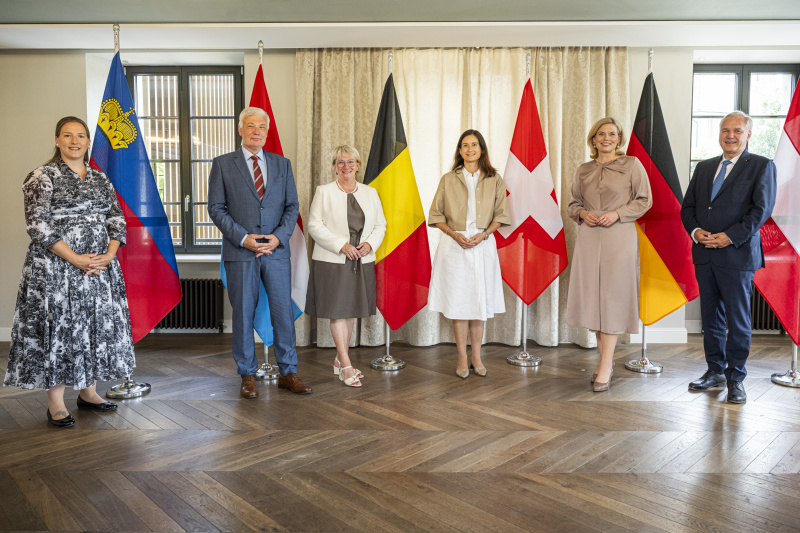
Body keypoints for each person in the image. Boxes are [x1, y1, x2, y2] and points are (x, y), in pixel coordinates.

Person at [3, 116, 132, 427]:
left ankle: (89, 393)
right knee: (60, 332)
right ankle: (56, 402)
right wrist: (76, 259)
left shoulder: (101, 180)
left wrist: (108, 256)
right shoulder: (42, 177)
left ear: (88, 143)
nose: (75, 141)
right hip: (56, 271)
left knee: (93, 327)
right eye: (67, 135)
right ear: (57, 141)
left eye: (81, 136)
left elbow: (117, 221)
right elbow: (38, 226)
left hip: (98, 270)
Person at [207, 106, 310, 397]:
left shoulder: (282, 164)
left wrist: (278, 238)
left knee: (282, 313)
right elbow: (216, 208)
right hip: (241, 252)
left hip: (276, 252)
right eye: (250, 126)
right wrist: (243, 238)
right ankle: (247, 375)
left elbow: (292, 206)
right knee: (242, 314)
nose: (256, 131)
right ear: (240, 130)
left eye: (261, 127)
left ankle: (289, 373)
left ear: (267, 131)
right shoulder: (223, 164)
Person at [681, 111, 776, 404]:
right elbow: (688, 208)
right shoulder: (705, 167)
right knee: (710, 318)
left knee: (738, 320)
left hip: (737, 254)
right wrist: (696, 232)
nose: (730, 135)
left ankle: (736, 379)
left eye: (737, 130)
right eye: (725, 130)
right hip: (705, 254)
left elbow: (761, 211)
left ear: (749, 134)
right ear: (719, 134)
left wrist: (730, 236)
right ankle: (715, 372)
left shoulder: (761, 165)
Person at [566, 117, 652, 392]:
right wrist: (581, 213)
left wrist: (617, 213)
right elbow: (572, 203)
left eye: (612, 134)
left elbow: (644, 200)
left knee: (612, 298)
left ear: (619, 139)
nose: (606, 138)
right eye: (601, 134)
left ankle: (605, 365)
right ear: (593, 139)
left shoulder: (632, 165)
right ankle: (607, 361)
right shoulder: (584, 169)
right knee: (593, 297)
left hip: (619, 235)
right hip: (589, 237)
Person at [428, 130, 510, 378]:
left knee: (479, 302)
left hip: (483, 245)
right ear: (460, 150)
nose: (470, 149)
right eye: (465, 145)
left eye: (474, 145)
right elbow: (435, 215)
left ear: (482, 149)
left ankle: (477, 355)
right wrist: (455, 234)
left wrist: (484, 235)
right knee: (459, 302)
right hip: (455, 246)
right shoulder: (448, 179)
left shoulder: (494, 178)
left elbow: (501, 215)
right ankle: (462, 357)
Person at [305, 145, 387, 387]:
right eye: (340, 162)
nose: (346, 166)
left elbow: (380, 225)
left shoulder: (371, 193)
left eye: (350, 161)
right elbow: (314, 225)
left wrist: (370, 244)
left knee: (350, 310)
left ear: (358, 165)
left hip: (362, 259)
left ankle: (340, 359)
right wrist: (341, 245)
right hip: (333, 260)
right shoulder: (324, 192)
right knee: (338, 310)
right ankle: (346, 364)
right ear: (334, 167)